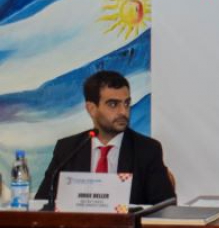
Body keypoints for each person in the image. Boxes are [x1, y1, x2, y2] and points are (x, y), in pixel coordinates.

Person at [36, 70, 176, 205]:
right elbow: (41, 204)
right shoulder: (68, 150)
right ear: (92, 109)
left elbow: (165, 209)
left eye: (126, 103)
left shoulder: (147, 150)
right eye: (113, 104)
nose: (123, 112)